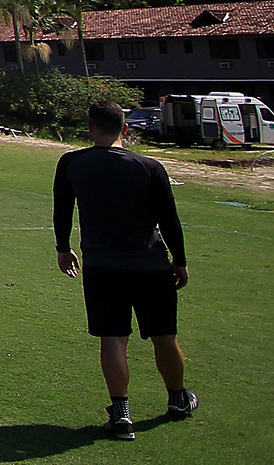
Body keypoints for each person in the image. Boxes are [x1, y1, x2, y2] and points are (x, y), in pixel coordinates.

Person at [54, 99, 196, 440]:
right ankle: (177, 399)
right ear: (125, 128)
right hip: (151, 265)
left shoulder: (72, 163)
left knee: (113, 338)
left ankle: (121, 415)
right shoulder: (149, 167)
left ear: (90, 127)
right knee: (164, 335)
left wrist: (63, 248)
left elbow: (62, 209)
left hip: (102, 267)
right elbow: (170, 220)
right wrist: (179, 260)